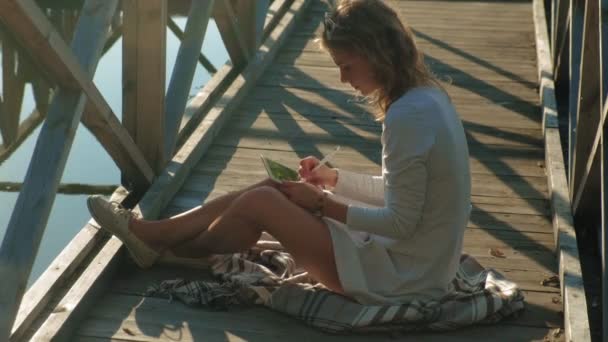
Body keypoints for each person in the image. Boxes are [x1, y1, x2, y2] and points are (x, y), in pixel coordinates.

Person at [87, 0, 471, 305]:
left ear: (375, 53)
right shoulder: (426, 96)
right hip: (417, 263)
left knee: (262, 202)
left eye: (346, 66)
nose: (343, 79)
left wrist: (321, 204)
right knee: (273, 188)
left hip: (402, 278)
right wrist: (333, 181)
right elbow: (398, 191)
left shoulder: (407, 117)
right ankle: (156, 236)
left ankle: (169, 247)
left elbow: (400, 222)